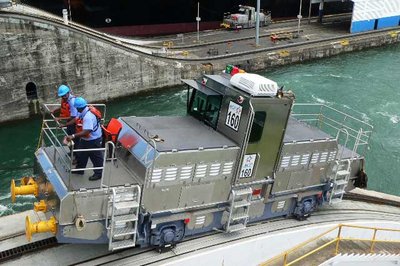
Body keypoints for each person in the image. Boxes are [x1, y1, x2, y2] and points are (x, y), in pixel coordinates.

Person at [65, 97, 103, 181]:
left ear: (79, 107)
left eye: (76, 107)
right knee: (81, 153)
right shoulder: (84, 111)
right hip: (86, 139)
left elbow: (87, 131)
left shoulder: (88, 117)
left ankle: (98, 174)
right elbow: (76, 119)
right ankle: (80, 170)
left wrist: (73, 136)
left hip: (94, 139)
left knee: (96, 157)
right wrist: (66, 124)